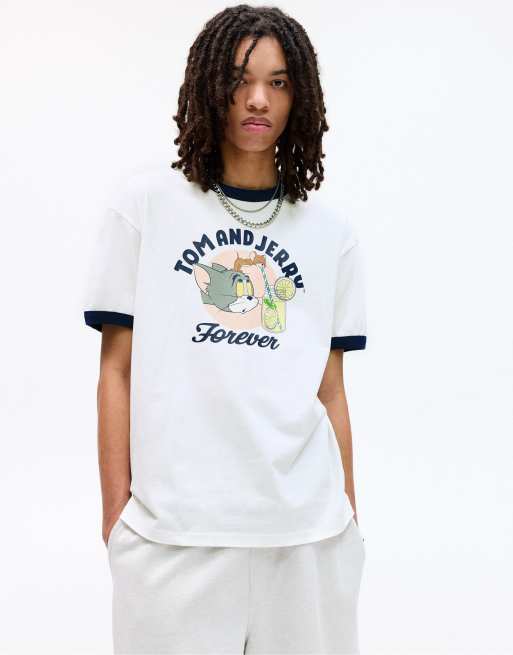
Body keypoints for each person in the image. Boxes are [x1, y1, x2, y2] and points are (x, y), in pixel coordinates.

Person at [83, 5, 368, 654]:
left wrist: (349, 518)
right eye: (240, 79)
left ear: (300, 97)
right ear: (208, 86)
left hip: (307, 538)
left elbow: (331, 391)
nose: (257, 99)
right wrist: (117, 519)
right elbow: (116, 370)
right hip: (174, 539)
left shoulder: (330, 235)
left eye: (278, 82)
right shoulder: (146, 208)